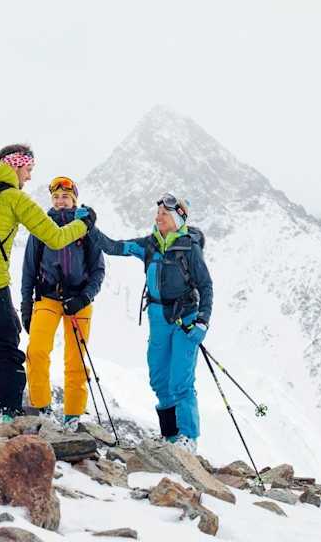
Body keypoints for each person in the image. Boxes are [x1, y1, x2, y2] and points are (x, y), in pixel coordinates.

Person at [0, 145, 95, 423]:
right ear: (15, 165)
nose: (28, 178)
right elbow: (54, 238)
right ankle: (8, 412)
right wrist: (84, 225)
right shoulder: (15, 198)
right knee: (8, 344)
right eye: (28, 170)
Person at [89, 193, 212, 452]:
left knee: (180, 380)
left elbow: (205, 285)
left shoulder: (190, 248)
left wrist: (202, 321)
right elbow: (114, 247)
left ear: (178, 218)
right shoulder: (150, 245)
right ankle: (170, 436)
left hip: (185, 322)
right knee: (158, 378)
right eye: (157, 214)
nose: (158, 218)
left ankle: (189, 437)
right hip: (158, 320)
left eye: (164, 215)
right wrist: (91, 228)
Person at [21, 175, 106, 431]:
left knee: (76, 359)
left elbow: (98, 270)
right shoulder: (41, 227)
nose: (60, 201)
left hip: (79, 301)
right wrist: (26, 305)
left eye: (65, 197)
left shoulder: (86, 228)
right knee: (36, 351)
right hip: (47, 297)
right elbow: (28, 269)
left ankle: (73, 416)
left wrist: (84, 297)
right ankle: (42, 408)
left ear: (74, 200)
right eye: (56, 197)